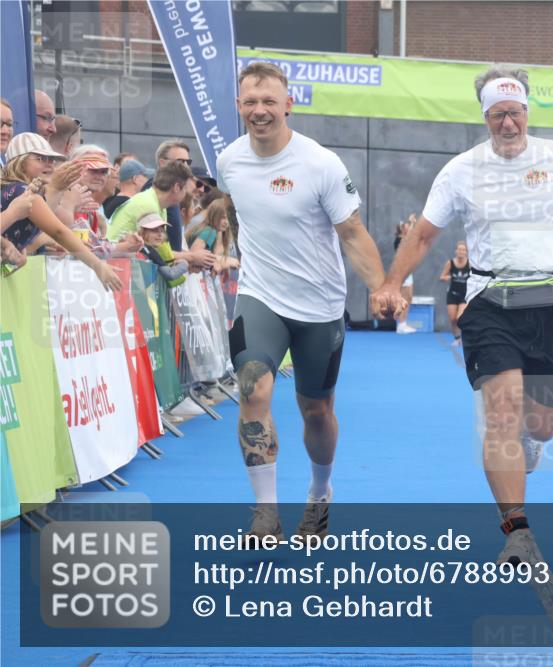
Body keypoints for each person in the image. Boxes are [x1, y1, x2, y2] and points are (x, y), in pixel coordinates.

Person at [371, 66, 553, 563]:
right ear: (484, 117)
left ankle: (533, 443)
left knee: (544, 424)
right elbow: (424, 235)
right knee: (502, 412)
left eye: (514, 113)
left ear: (527, 111)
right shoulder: (461, 170)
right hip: (491, 302)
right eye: (496, 115)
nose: (507, 124)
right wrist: (389, 282)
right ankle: (517, 529)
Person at [217, 61, 386, 541]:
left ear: (289, 104)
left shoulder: (321, 164)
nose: (260, 110)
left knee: (316, 410)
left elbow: (351, 233)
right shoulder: (230, 161)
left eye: (270, 101)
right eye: (250, 101)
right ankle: (265, 512)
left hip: (319, 305)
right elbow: (239, 210)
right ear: (239, 107)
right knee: (253, 389)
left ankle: (319, 492)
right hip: (260, 296)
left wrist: (383, 287)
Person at [1, 140, 121, 291]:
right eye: (41, 158)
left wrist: (17, 260)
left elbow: (7, 267)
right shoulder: (23, 192)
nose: (50, 164)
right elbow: (59, 232)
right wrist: (97, 265)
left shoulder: (15, 190)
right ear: (20, 162)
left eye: (51, 159)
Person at [185, 198, 239, 275]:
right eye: (223, 218)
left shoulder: (209, 230)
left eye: (228, 218)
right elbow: (195, 254)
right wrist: (225, 260)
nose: (226, 222)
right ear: (215, 215)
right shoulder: (210, 232)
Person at [135, 213, 188, 287]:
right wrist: (184, 264)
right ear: (142, 232)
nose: (160, 234)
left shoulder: (137, 246)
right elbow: (170, 274)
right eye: (154, 230)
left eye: (162, 231)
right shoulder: (148, 250)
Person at [439, 239, 470, 344]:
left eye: (463, 250)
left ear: (466, 252)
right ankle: (457, 338)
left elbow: (476, 276)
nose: (461, 252)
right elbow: (442, 276)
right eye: (459, 249)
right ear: (456, 251)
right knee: (453, 319)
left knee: (460, 317)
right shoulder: (450, 263)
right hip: (452, 294)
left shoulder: (470, 264)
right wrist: (447, 277)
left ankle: (466, 336)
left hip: (464, 295)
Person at [393, 216, 417, 334]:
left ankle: (404, 323)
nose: (409, 228)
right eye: (407, 226)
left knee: (409, 298)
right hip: (401, 271)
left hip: (408, 271)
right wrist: (412, 222)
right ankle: (401, 325)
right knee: (404, 298)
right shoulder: (399, 240)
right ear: (402, 230)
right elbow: (409, 238)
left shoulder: (406, 239)